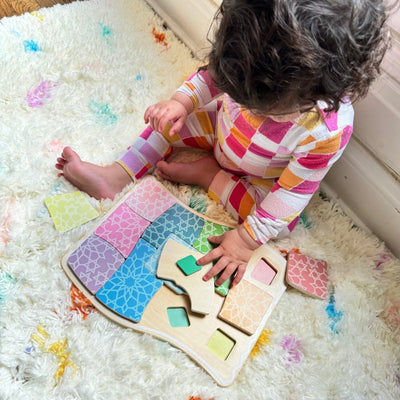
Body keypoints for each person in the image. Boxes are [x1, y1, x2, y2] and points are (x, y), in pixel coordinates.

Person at [56, 0, 390, 287]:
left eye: (268, 111)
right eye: (240, 94)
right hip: (219, 128)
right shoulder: (244, 48)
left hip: (262, 176)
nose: (252, 111)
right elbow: (208, 78)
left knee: (279, 222)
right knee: (170, 125)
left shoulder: (326, 131)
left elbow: (290, 194)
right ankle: (115, 176)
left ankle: (208, 175)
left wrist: (244, 242)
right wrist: (181, 104)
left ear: (322, 90)